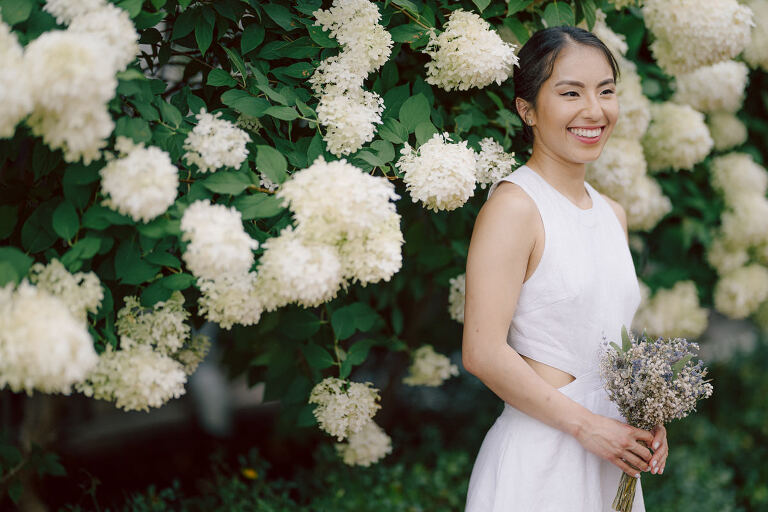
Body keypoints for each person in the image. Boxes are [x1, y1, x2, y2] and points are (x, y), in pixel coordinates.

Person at [462, 26, 669, 511]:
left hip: (610, 454)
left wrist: (648, 411)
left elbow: (601, 335)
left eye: (606, 91)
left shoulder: (611, 212)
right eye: (570, 92)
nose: (594, 111)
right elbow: (482, 351)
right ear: (527, 109)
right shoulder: (515, 207)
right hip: (542, 458)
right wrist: (586, 425)